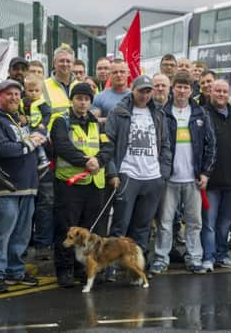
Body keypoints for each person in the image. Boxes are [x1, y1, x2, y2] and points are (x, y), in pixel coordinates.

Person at [51, 83, 117, 287]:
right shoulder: (61, 121)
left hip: (94, 184)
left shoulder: (96, 123)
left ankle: (84, 268)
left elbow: (108, 147)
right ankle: (65, 270)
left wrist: (98, 161)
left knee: (90, 230)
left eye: (86, 99)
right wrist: (85, 161)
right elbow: (62, 145)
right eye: (79, 98)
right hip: (70, 184)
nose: (83, 102)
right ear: (72, 100)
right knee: (66, 228)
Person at [151, 71, 216, 274]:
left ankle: (194, 257)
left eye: (185, 87)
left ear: (191, 90)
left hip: (193, 179)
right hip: (169, 178)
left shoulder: (200, 113)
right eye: (178, 86)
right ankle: (161, 258)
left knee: (194, 222)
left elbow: (211, 145)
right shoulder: (163, 113)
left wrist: (205, 173)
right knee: (164, 222)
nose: (181, 90)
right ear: (173, 88)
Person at [0, 79, 44, 293]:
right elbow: (4, 150)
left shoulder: (19, 119)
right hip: (6, 185)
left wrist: (36, 138)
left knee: (21, 233)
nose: (14, 98)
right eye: (8, 94)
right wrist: (31, 142)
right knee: (2, 232)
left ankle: (15, 271)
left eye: (17, 94)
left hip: (28, 185)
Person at [106, 75, 172, 259]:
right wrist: (113, 172)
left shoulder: (158, 113)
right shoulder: (118, 112)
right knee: (121, 224)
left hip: (153, 177)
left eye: (148, 91)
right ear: (132, 89)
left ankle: (138, 265)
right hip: (128, 174)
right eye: (141, 90)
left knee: (142, 227)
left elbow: (166, 144)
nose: (144, 95)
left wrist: (163, 175)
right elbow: (109, 144)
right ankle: (112, 265)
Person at [35, 44, 79, 259]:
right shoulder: (44, 86)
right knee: (47, 200)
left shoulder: (81, 85)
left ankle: (68, 243)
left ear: (74, 63)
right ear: (54, 63)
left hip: (76, 151)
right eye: (61, 61)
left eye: (68, 61)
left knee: (68, 202)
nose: (65, 64)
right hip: (50, 149)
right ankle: (44, 246)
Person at [201, 80, 231, 270]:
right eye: (217, 91)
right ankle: (208, 256)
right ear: (210, 92)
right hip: (210, 180)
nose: (221, 94)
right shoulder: (203, 114)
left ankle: (221, 255)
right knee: (209, 222)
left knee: (225, 223)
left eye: (225, 91)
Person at [21, 73, 51, 172]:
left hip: (40, 127)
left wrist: (43, 124)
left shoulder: (41, 103)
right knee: (29, 142)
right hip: (29, 127)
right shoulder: (24, 102)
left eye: (36, 91)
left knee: (37, 142)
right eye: (30, 91)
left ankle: (43, 159)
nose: (33, 93)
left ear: (41, 91)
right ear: (25, 90)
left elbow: (47, 114)